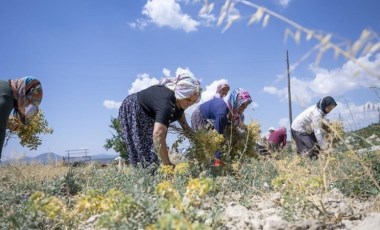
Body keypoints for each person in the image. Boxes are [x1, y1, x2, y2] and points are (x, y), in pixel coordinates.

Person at [118, 73, 202, 168]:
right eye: (188, 99)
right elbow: (158, 135)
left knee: (154, 154)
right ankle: (148, 179)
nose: (190, 103)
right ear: (181, 94)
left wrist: (194, 136)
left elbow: (182, 120)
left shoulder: (180, 103)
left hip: (148, 115)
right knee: (146, 157)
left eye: (193, 101)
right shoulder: (167, 103)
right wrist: (168, 165)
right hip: (134, 108)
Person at [191, 88, 252, 164]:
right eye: (242, 104)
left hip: (214, 120)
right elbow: (217, 138)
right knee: (203, 145)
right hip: (200, 116)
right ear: (235, 102)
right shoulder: (222, 114)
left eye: (246, 105)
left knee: (228, 137)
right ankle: (204, 164)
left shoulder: (237, 114)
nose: (244, 107)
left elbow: (237, 128)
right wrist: (217, 161)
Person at [0, 76, 43, 160]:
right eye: (28, 100)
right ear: (25, 90)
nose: (26, 105)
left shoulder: (5, 88)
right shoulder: (7, 96)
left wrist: (7, 124)